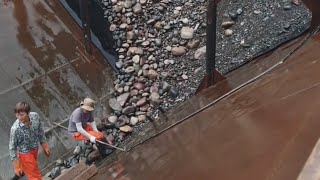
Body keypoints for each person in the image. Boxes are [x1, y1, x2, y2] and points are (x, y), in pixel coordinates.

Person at [9, 102, 51, 180]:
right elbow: (12, 147)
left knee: (27, 169)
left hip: (35, 149)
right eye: (17, 115)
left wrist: (44, 145)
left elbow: (40, 131)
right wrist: (16, 165)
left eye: (22, 115)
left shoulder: (35, 116)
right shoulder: (15, 129)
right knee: (35, 176)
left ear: (28, 113)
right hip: (25, 154)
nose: (19, 117)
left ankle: (17, 175)